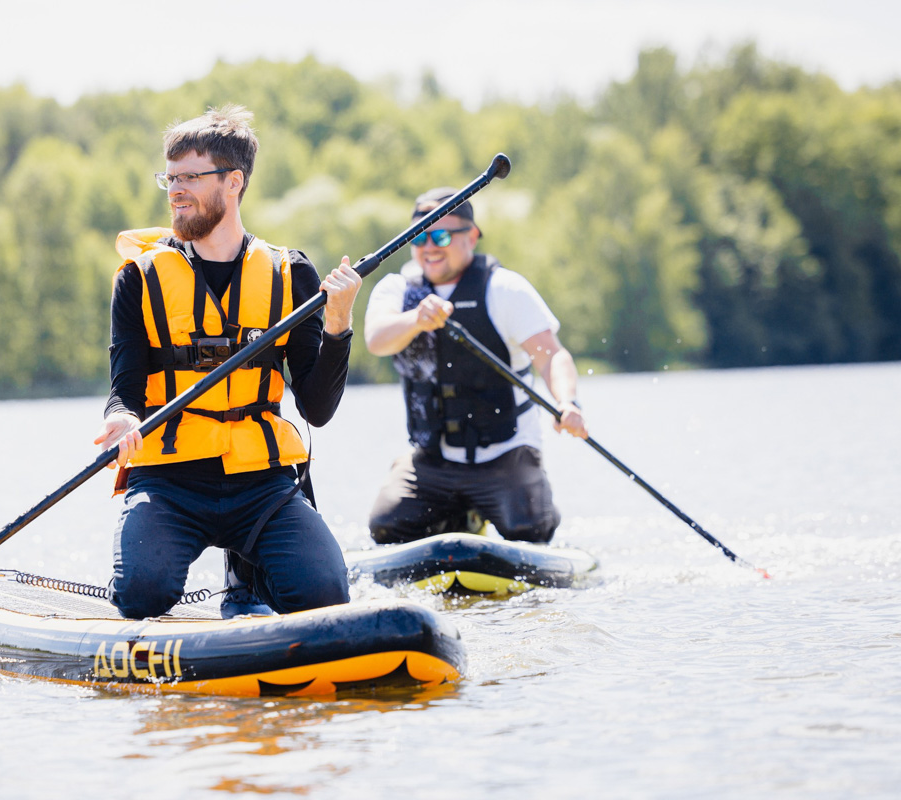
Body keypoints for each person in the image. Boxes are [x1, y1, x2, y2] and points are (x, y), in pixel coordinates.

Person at [94, 105, 362, 619]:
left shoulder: (291, 274)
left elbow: (317, 408)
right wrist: (122, 417)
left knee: (326, 594)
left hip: (262, 481)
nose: (175, 191)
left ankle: (247, 571)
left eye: (190, 178)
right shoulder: (138, 278)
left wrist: (338, 323)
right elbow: (124, 387)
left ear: (233, 182)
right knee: (143, 594)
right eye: (170, 178)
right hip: (169, 479)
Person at [363, 187, 588, 545]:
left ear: (471, 236)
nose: (429, 247)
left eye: (441, 236)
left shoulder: (505, 288)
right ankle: (457, 514)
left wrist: (567, 402)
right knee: (386, 526)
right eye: (418, 237)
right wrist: (416, 320)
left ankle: (507, 507)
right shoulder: (397, 289)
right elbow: (376, 340)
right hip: (434, 457)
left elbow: (552, 356)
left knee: (528, 529)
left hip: (506, 451)